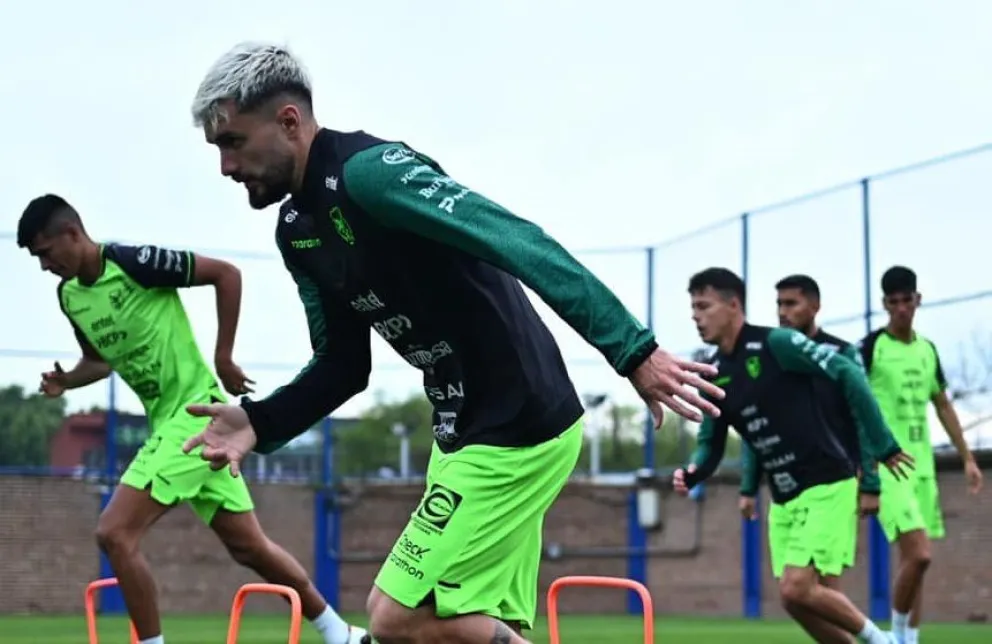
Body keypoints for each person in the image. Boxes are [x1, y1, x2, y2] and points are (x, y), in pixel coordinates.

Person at [180, 41, 725, 644]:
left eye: (232, 143)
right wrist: (259, 420)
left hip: (518, 420)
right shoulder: (297, 232)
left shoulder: (371, 173)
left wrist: (632, 351)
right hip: (461, 426)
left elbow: (517, 241)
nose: (226, 168)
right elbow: (342, 363)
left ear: (288, 121)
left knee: (396, 615)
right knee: (470, 624)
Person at [16, 195, 367, 644]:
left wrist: (224, 356)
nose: (45, 265)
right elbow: (98, 362)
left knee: (114, 532)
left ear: (71, 233)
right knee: (250, 548)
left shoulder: (133, 262)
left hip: (194, 415)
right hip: (168, 425)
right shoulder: (70, 297)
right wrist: (67, 381)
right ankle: (343, 634)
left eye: (45, 252)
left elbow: (226, 274)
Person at [673, 267, 913, 644]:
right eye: (692, 308)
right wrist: (694, 471)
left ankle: (884, 641)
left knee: (798, 588)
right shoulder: (716, 372)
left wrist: (882, 445)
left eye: (703, 306)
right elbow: (711, 442)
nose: (695, 316)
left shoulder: (778, 343)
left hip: (826, 483)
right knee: (797, 600)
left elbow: (848, 372)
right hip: (783, 498)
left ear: (733, 305)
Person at [857, 266, 983, 644]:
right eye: (892, 302)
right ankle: (892, 637)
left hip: (923, 468)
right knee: (920, 555)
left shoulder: (927, 349)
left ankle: (910, 639)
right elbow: (854, 403)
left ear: (917, 301)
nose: (900, 308)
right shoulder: (870, 348)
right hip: (888, 468)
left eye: (906, 301)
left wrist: (967, 458)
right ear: (884, 305)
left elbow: (943, 405)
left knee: (916, 565)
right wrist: (864, 467)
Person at [738, 274, 882, 596]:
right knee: (799, 593)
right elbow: (755, 422)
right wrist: (748, 486)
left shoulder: (842, 353)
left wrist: (871, 482)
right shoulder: (769, 358)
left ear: (815, 306)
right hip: (789, 485)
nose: (782, 312)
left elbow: (863, 417)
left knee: (821, 583)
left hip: (833, 480)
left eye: (791, 303)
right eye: (779, 304)